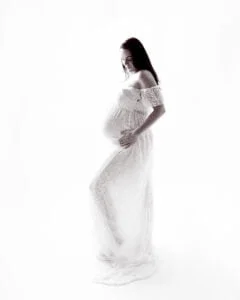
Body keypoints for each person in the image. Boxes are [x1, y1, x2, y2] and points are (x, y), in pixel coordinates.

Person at [89, 37, 166, 286]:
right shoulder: (131, 76)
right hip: (126, 141)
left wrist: (135, 133)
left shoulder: (144, 75)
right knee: (104, 187)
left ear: (139, 56)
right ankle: (120, 239)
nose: (126, 64)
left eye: (130, 59)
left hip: (135, 143)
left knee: (97, 185)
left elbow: (160, 109)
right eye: (123, 60)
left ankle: (121, 241)